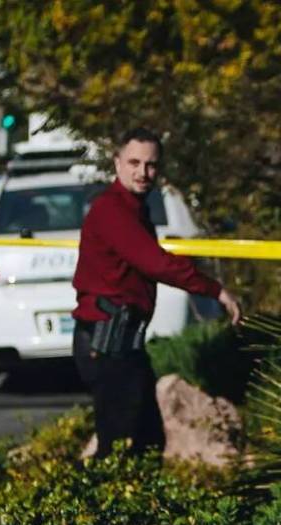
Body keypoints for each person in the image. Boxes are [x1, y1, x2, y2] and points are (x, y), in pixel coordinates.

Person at [72, 128, 242, 457]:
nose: (143, 172)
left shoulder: (136, 208)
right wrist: (216, 291)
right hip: (106, 343)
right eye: (134, 163)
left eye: (151, 165)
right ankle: (100, 505)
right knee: (123, 445)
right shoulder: (112, 210)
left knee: (145, 440)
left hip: (123, 344)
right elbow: (157, 264)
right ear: (117, 163)